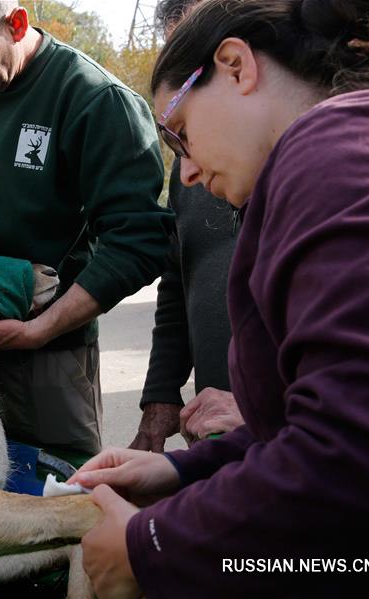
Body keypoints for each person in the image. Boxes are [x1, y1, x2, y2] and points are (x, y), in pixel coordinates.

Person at [71, 0, 369, 596]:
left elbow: (361, 455)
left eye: (179, 134)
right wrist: (180, 469)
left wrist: (151, 547)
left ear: (234, 66)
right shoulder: (348, 150)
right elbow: (324, 417)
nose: (188, 173)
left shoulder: (331, 151)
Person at [0, 0, 173, 459]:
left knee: (54, 493)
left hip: (50, 353)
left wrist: (43, 327)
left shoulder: (95, 100)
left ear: (15, 25)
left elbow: (137, 240)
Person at [130, 0, 242, 452]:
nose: (189, 168)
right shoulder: (192, 164)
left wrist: (268, 413)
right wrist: (161, 393)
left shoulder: (350, 178)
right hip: (220, 422)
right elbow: (178, 278)